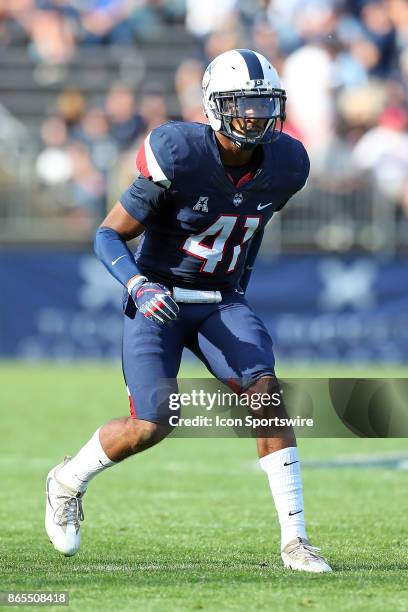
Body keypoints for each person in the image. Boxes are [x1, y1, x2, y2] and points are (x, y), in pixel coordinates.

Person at [45, 49, 332, 573]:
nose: (256, 116)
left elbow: (252, 229)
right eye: (243, 105)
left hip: (220, 298)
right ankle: (66, 480)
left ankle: (296, 540)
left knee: (267, 394)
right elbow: (109, 233)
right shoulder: (177, 151)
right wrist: (137, 285)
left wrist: (237, 287)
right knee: (152, 424)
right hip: (159, 296)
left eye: (265, 104)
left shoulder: (289, 163)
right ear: (215, 106)